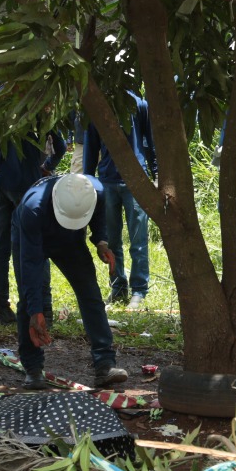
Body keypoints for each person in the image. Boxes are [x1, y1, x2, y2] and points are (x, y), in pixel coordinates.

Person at [13, 173, 127, 390]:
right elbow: (31, 264)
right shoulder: (32, 207)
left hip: (71, 242)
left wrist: (101, 242)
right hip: (31, 236)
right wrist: (36, 310)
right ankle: (33, 368)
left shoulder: (95, 190)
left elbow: (99, 216)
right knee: (28, 303)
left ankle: (105, 364)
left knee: (91, 295)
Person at [0, 90, 67, 324]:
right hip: (26, 186)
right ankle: (41, 309)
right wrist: (47, 166)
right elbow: (60, 146)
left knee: (0, 248)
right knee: (33, 246)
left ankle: (1, 308)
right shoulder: (36, 97)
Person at [82, 91, 156, 309]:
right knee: (111, 240)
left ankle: (139, 289)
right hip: (107, 181)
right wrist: (88, 181)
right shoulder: (98, 104)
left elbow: (151, 141)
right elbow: (91, 146)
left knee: (138, 241)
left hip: (136, 181)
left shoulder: (139, 104)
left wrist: (156, 173)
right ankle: (118, 286)